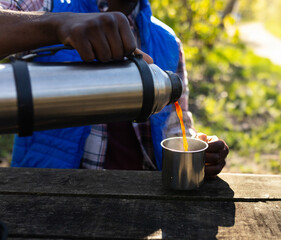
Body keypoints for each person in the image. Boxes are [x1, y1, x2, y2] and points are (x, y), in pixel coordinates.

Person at [0, 0, 228, 178]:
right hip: (50, 199)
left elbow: (175, 129)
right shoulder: (48, 7)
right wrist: (56, 24)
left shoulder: (167, 41)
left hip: (141, 204)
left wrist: (201, 149)